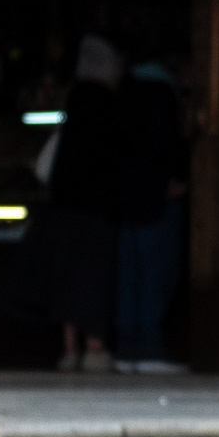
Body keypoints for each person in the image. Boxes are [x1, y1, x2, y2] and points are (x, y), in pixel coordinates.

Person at [39, 35, 130, 372]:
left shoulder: (75, 100)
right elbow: (116, 159)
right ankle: (95, 347)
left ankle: (69, 348)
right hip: (98, 207)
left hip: (67, 204)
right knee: (94, 276)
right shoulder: (109, 103)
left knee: (69, 275)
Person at [113, 58, 190, 373]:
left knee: (127, 272)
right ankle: (149, 345)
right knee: (154, 270)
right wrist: (174, 176)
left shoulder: (121, 94)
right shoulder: (161, 93)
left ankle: (126, 346)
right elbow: (164, 143)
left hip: (124, 196)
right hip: (156, 195)